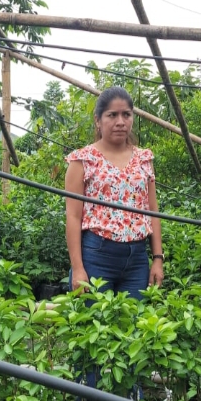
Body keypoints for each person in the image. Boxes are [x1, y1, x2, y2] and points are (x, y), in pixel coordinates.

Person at [64, 86, 163, 299]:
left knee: (135, 318)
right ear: (98, 120)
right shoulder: (82, 160)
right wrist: (78, 268)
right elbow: (73, 217)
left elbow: (153, 211)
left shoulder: (144, 159)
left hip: (137, 260)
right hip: (96, 256)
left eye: (126, 114)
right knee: (93, 317)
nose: (120, 122)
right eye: (112, 115)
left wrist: (157, 258)